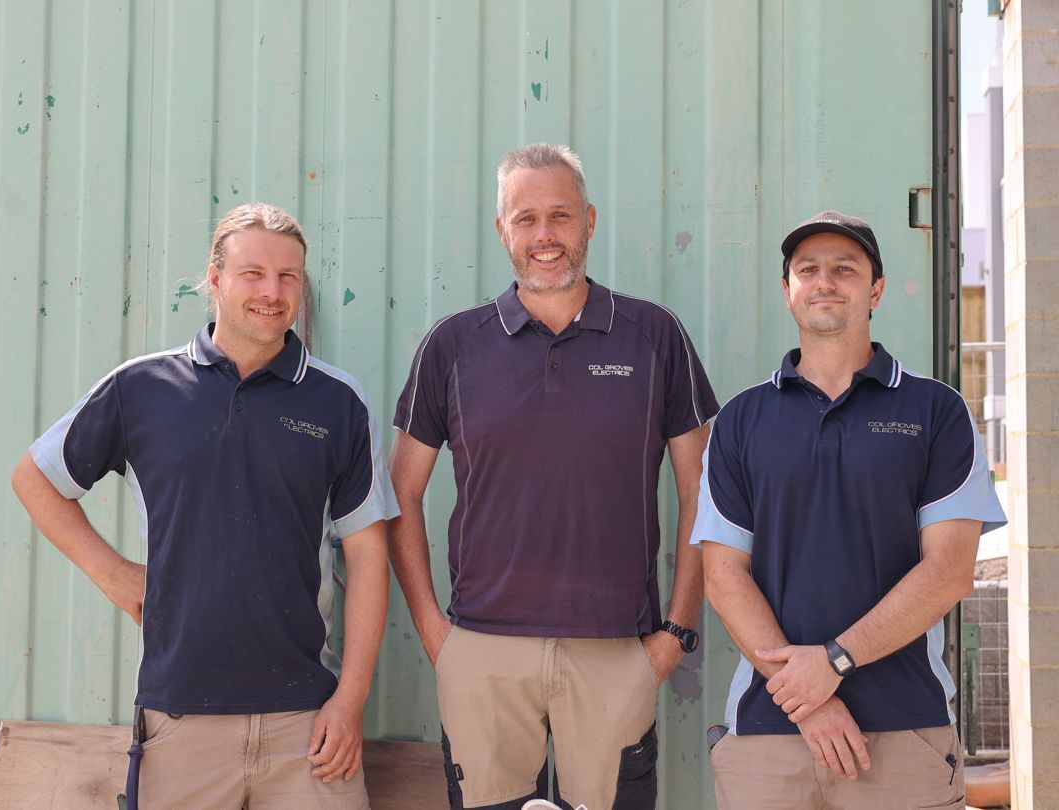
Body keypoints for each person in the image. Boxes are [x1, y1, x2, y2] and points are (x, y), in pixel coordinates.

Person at [11, 202, 397, 809]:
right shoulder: (141, 388)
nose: (272, 291)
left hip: (309, 724)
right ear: (215, 279)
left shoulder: (339, 403)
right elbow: (35, 477)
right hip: (180, 718)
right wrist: (113, 574)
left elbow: (370, 556)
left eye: (288, 276)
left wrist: (349, 702)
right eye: (253, 273)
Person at [389, 143, 720, 810]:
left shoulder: (654, 336)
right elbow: (400, 493)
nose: (545, 237)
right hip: (481, 651)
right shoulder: (452, 345)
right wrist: (436, 635)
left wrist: (675, 633)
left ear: (590, 221)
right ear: (502, 229)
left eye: (561, 216)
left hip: (614, 650)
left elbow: (702, 492)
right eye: (526, 218)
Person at [695, 210, 1006, 809]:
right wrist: (807, 698)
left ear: (876, 290)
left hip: (903, 729)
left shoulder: (936, 412)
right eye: (807, 269)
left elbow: (948, 570)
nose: (825, 281)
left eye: (845, 268)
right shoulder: (741, 420)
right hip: (768, 734)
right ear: (788, 290)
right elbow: (723, 573)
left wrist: (834, 663)